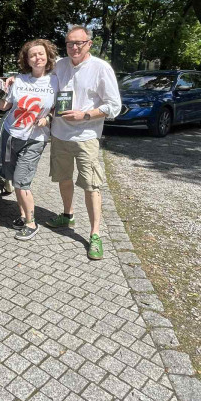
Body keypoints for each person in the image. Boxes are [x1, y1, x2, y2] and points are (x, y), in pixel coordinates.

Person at [47, 25, 121, 260]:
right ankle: (68, 215)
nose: (74, 47)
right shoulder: (59, 65)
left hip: (86, 137)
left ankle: (95, 235)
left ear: (89, 43)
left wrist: (85, 115)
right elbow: (42, 86)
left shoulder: (101, 68)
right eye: (70, 43)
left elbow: (114, 107)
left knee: (91, 186)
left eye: (79, 43)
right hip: (60, 134)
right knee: (64, 178)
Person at [0, 39, 57, 241]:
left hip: (35, 139)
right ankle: (22, 215)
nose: (37, 58)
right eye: (32, 55)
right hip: (12, 134)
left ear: (47, 56)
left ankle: (31, 223)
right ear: (27, 60)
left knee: (21, 182)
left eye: (40, 54)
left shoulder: (56, 80)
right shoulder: (19, 80)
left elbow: (60, 107)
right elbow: (4, 106)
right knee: (12, 177)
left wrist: (48, 118)